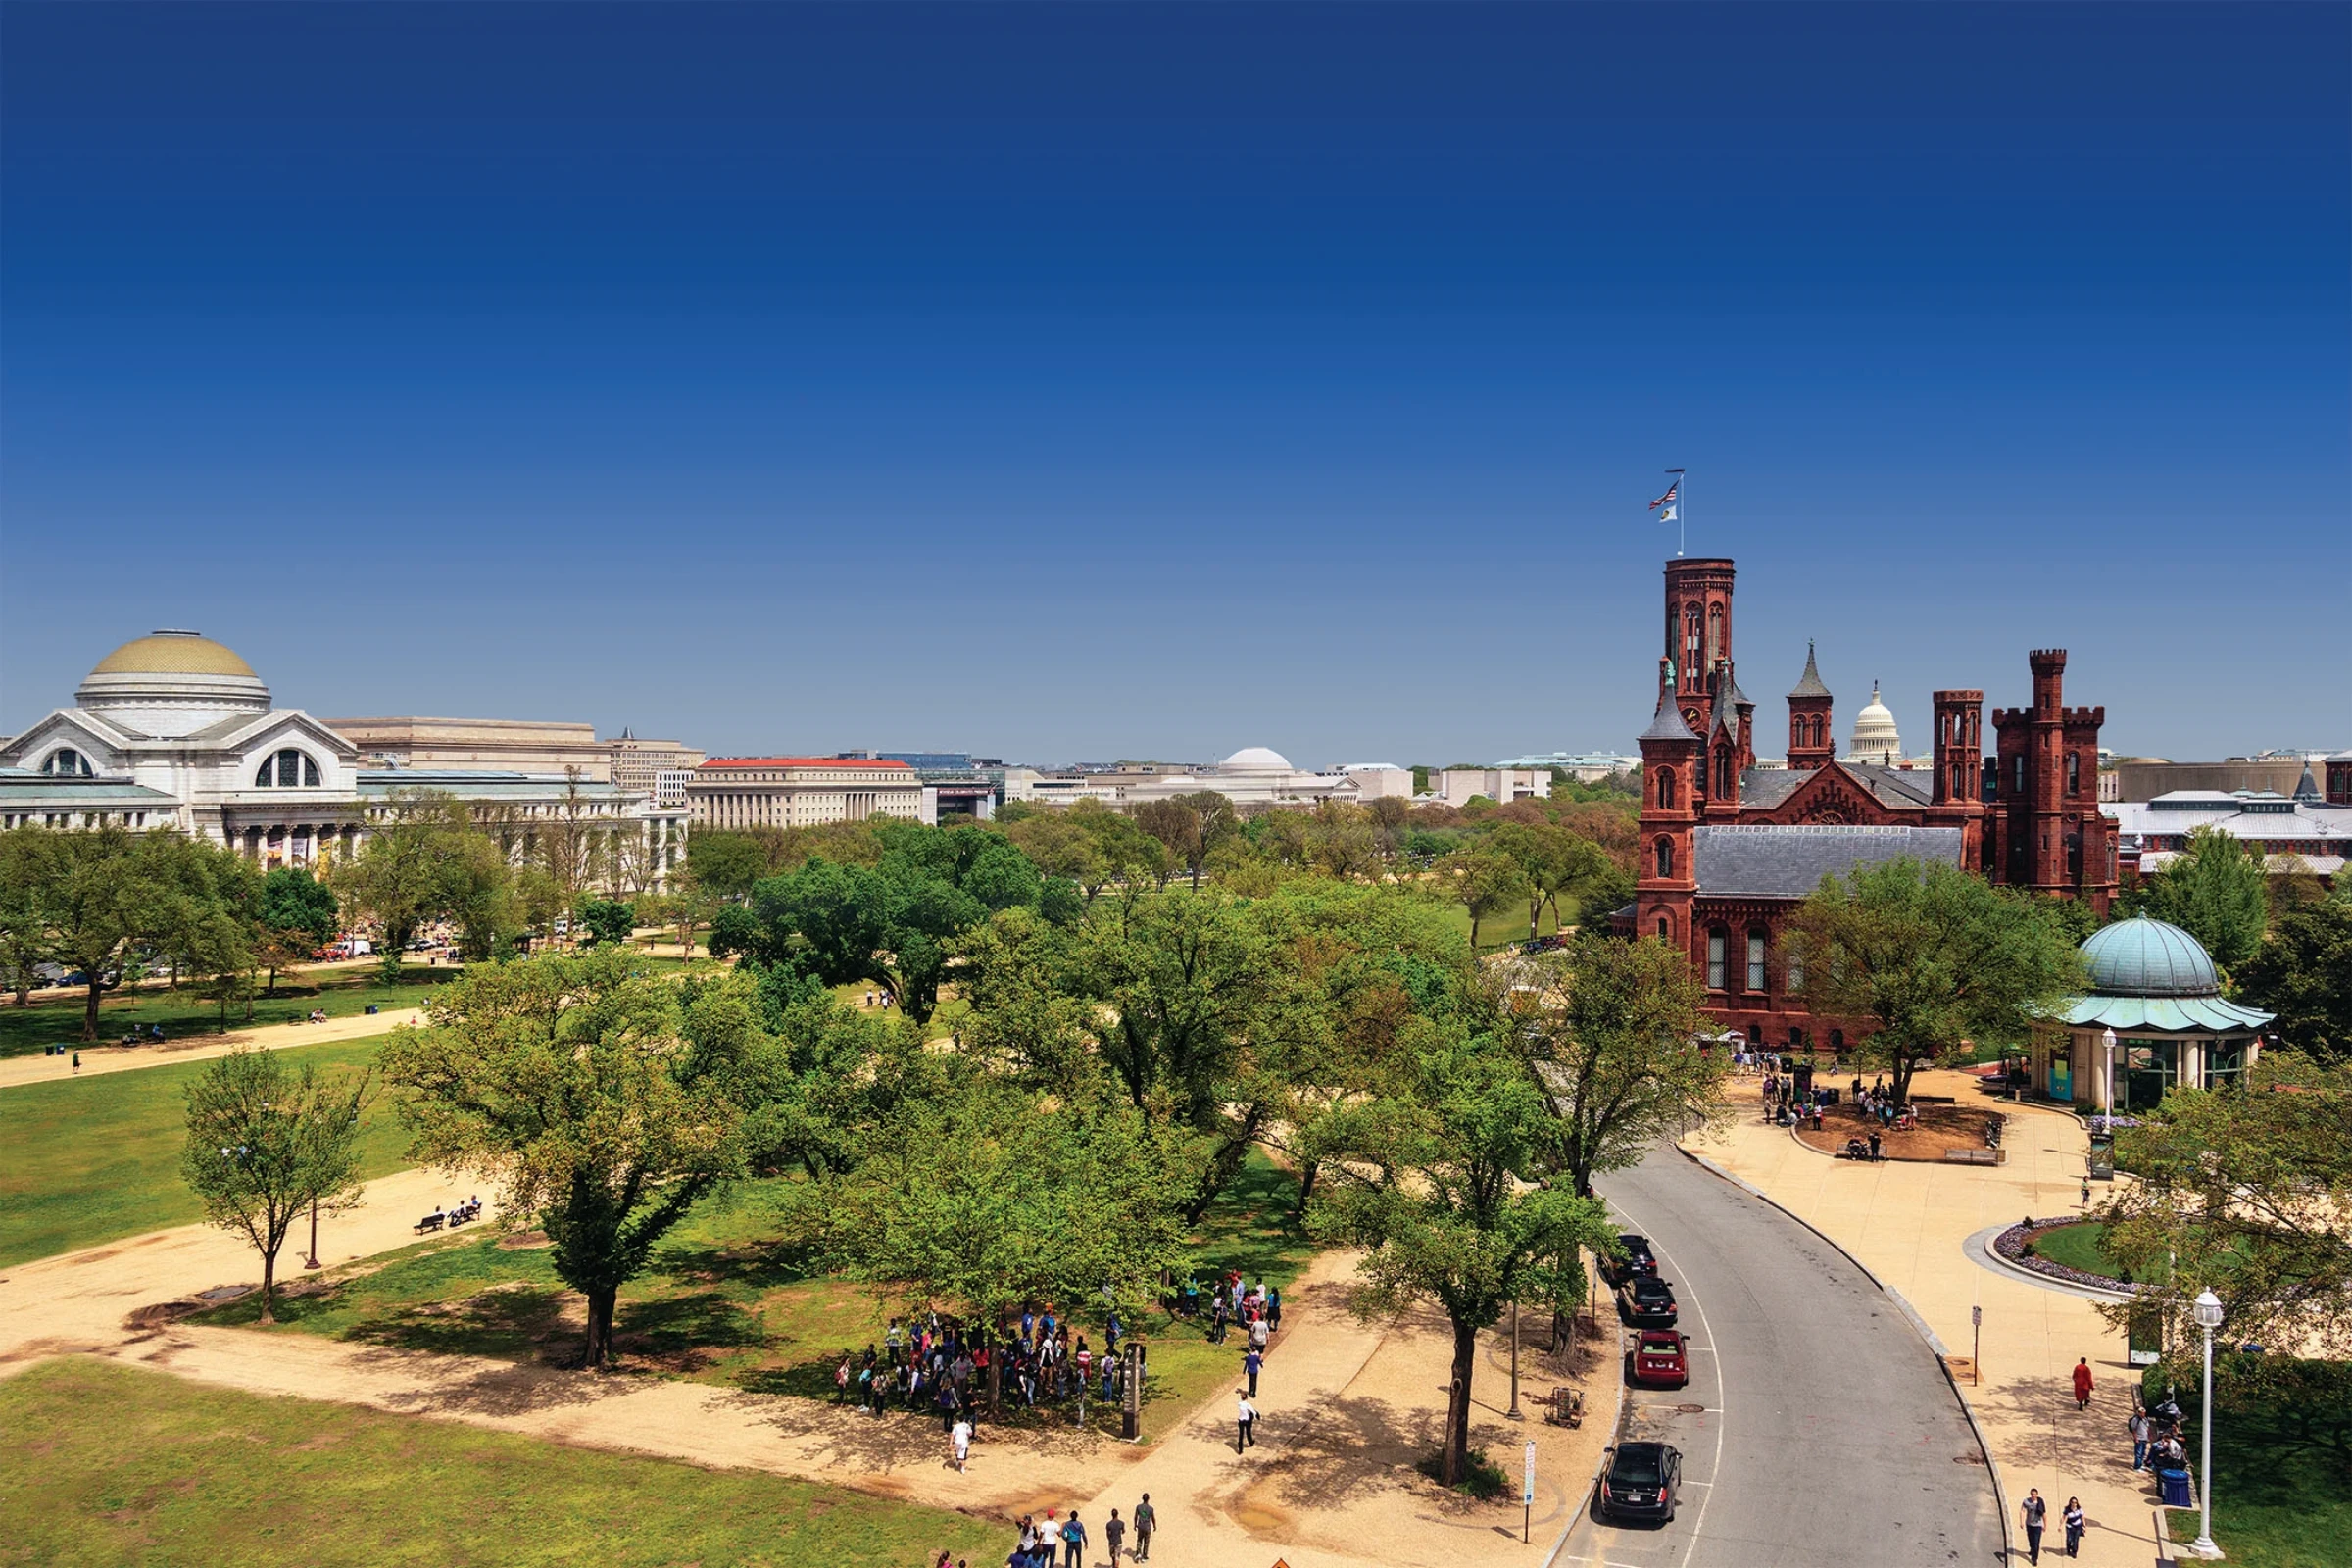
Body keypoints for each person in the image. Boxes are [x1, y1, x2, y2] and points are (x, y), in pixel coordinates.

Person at [2021, 1489, 2047, 1565]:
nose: (2033, 1496)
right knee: (2031, 1540)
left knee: (2036, 1542)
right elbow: (2022, 1511)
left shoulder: (2040, 1503)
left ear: (2037, 1494)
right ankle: (2032, 1550)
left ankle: (2034, 1558)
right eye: (2032, 1494)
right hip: (2029, 1524)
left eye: (2035, 1494)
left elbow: (2044, 1514)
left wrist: (2045, 1525)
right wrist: (2021, 1521)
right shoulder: (2026, 1502)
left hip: (2038, 1525)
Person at [1132, 1494, 1155, 1562]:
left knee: (1139, 1540)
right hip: (1147, 1527)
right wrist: (1155, 1525)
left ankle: (1138, 1553)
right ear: (1148, 1499)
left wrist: (1135, 1525)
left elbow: (1135, 1517)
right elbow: (1153, 1518)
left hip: (1140, 1526)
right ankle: (1144, 1556)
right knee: (1146, 1542)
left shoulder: (1138, 1507)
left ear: (1142, 1498)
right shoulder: (1151, 1509)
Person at [2129, 1407, 2153, 1471]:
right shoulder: (2135, 1420)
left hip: (2145, 1438)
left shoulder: (2145, 1419)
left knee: (2143, 1453)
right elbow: (2133, 1429)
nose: (2143, 1414)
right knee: (2138, 1453)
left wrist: (2149, 1435)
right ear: (2139, 1413)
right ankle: (2137, 1467)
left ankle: (2140, 1465)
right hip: (2139, 1438)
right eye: (2142, 1413)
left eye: (2144, 1413)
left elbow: (2147, 1428)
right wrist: (2136, 1438)